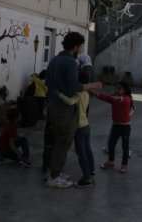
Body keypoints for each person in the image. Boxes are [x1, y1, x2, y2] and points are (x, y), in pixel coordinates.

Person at [44, 32, 101, 188]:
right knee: (63, 143)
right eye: (80, 47)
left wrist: (59, 91)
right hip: (64, 110)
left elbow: (48, 82)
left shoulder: (55, 60)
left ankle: (54, 171)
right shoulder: (70, 62)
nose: (80, 50)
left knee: (58, 141)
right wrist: (93, 85)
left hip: (52, 107)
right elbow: (75, 87)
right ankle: (54, 177)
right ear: (75, 47)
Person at [56, 77, 96, 188]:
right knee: (87, 150)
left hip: (79, 127)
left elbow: (70, 101)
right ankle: (91, 170)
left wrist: (59, 94)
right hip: (86, 125)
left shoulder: (78, 93)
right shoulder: (86, 93)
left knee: (81, 153)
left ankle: (87, 178)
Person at [96, 81, 134, 174]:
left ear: (125, 90)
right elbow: (105, 97)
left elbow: (120, 99)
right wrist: (96, 94)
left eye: (119, 88)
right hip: (115, 125)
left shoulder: (127, 98)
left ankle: (124, 165)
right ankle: (111, 162)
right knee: (111, 144)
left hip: (125, 127)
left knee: (125, 146)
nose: (116, 90)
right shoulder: (115, 98)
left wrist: (113, 96)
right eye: (116, 88)